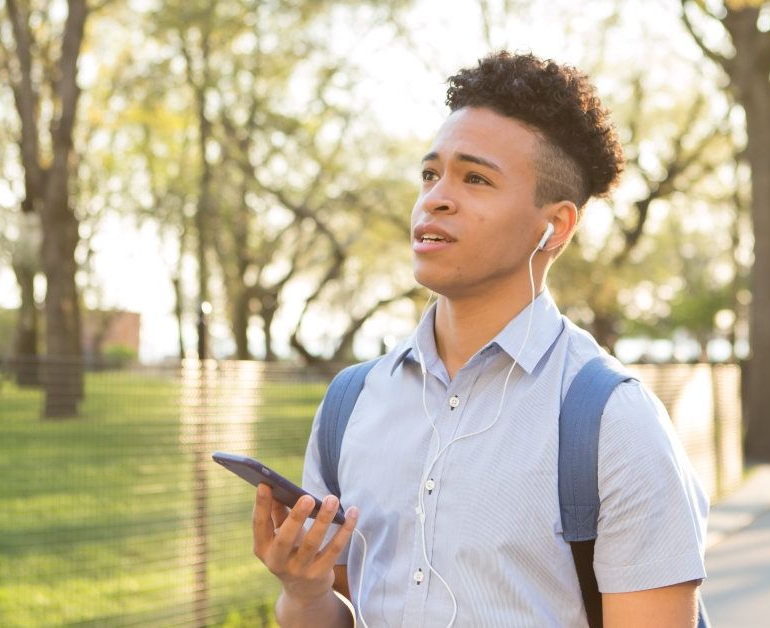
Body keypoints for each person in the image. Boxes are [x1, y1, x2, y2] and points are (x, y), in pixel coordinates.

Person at [250, 52, 708, 627]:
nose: (436, 198)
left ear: (556, 226)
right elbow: (333, 611)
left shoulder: (615, 421)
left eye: (476, 178)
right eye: (429, 174)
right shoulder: (350, 402)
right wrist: (304, 591)